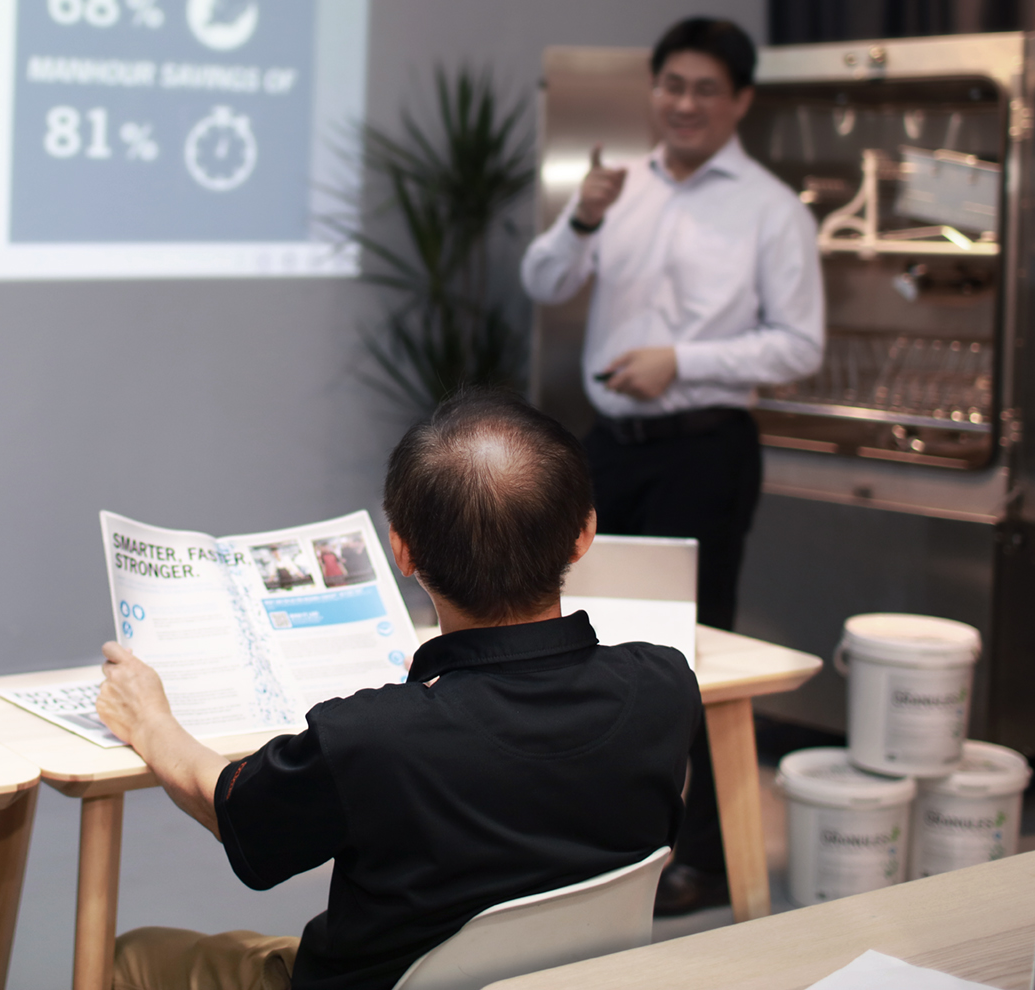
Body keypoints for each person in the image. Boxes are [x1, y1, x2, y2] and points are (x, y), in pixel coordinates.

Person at [94, 388, 699, 990]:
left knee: (127, 958)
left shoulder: (371, 739)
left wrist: (150, 721)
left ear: (402, 550)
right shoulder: (666, 686)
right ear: (584, 533)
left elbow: (231, 807)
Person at [518, 16, 824, 914]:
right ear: (653, 91)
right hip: (610, 447)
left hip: (707, 449)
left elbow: (799, 346)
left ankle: (705, 859)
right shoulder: (618, 188)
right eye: (672, 85)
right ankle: (603, 843)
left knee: (692, 652)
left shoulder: (770, 208)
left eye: (705, 89)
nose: (684, 103)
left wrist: (680, 361)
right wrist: (581, 215)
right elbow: (543, 282)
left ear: (740, 103)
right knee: (578, 632)